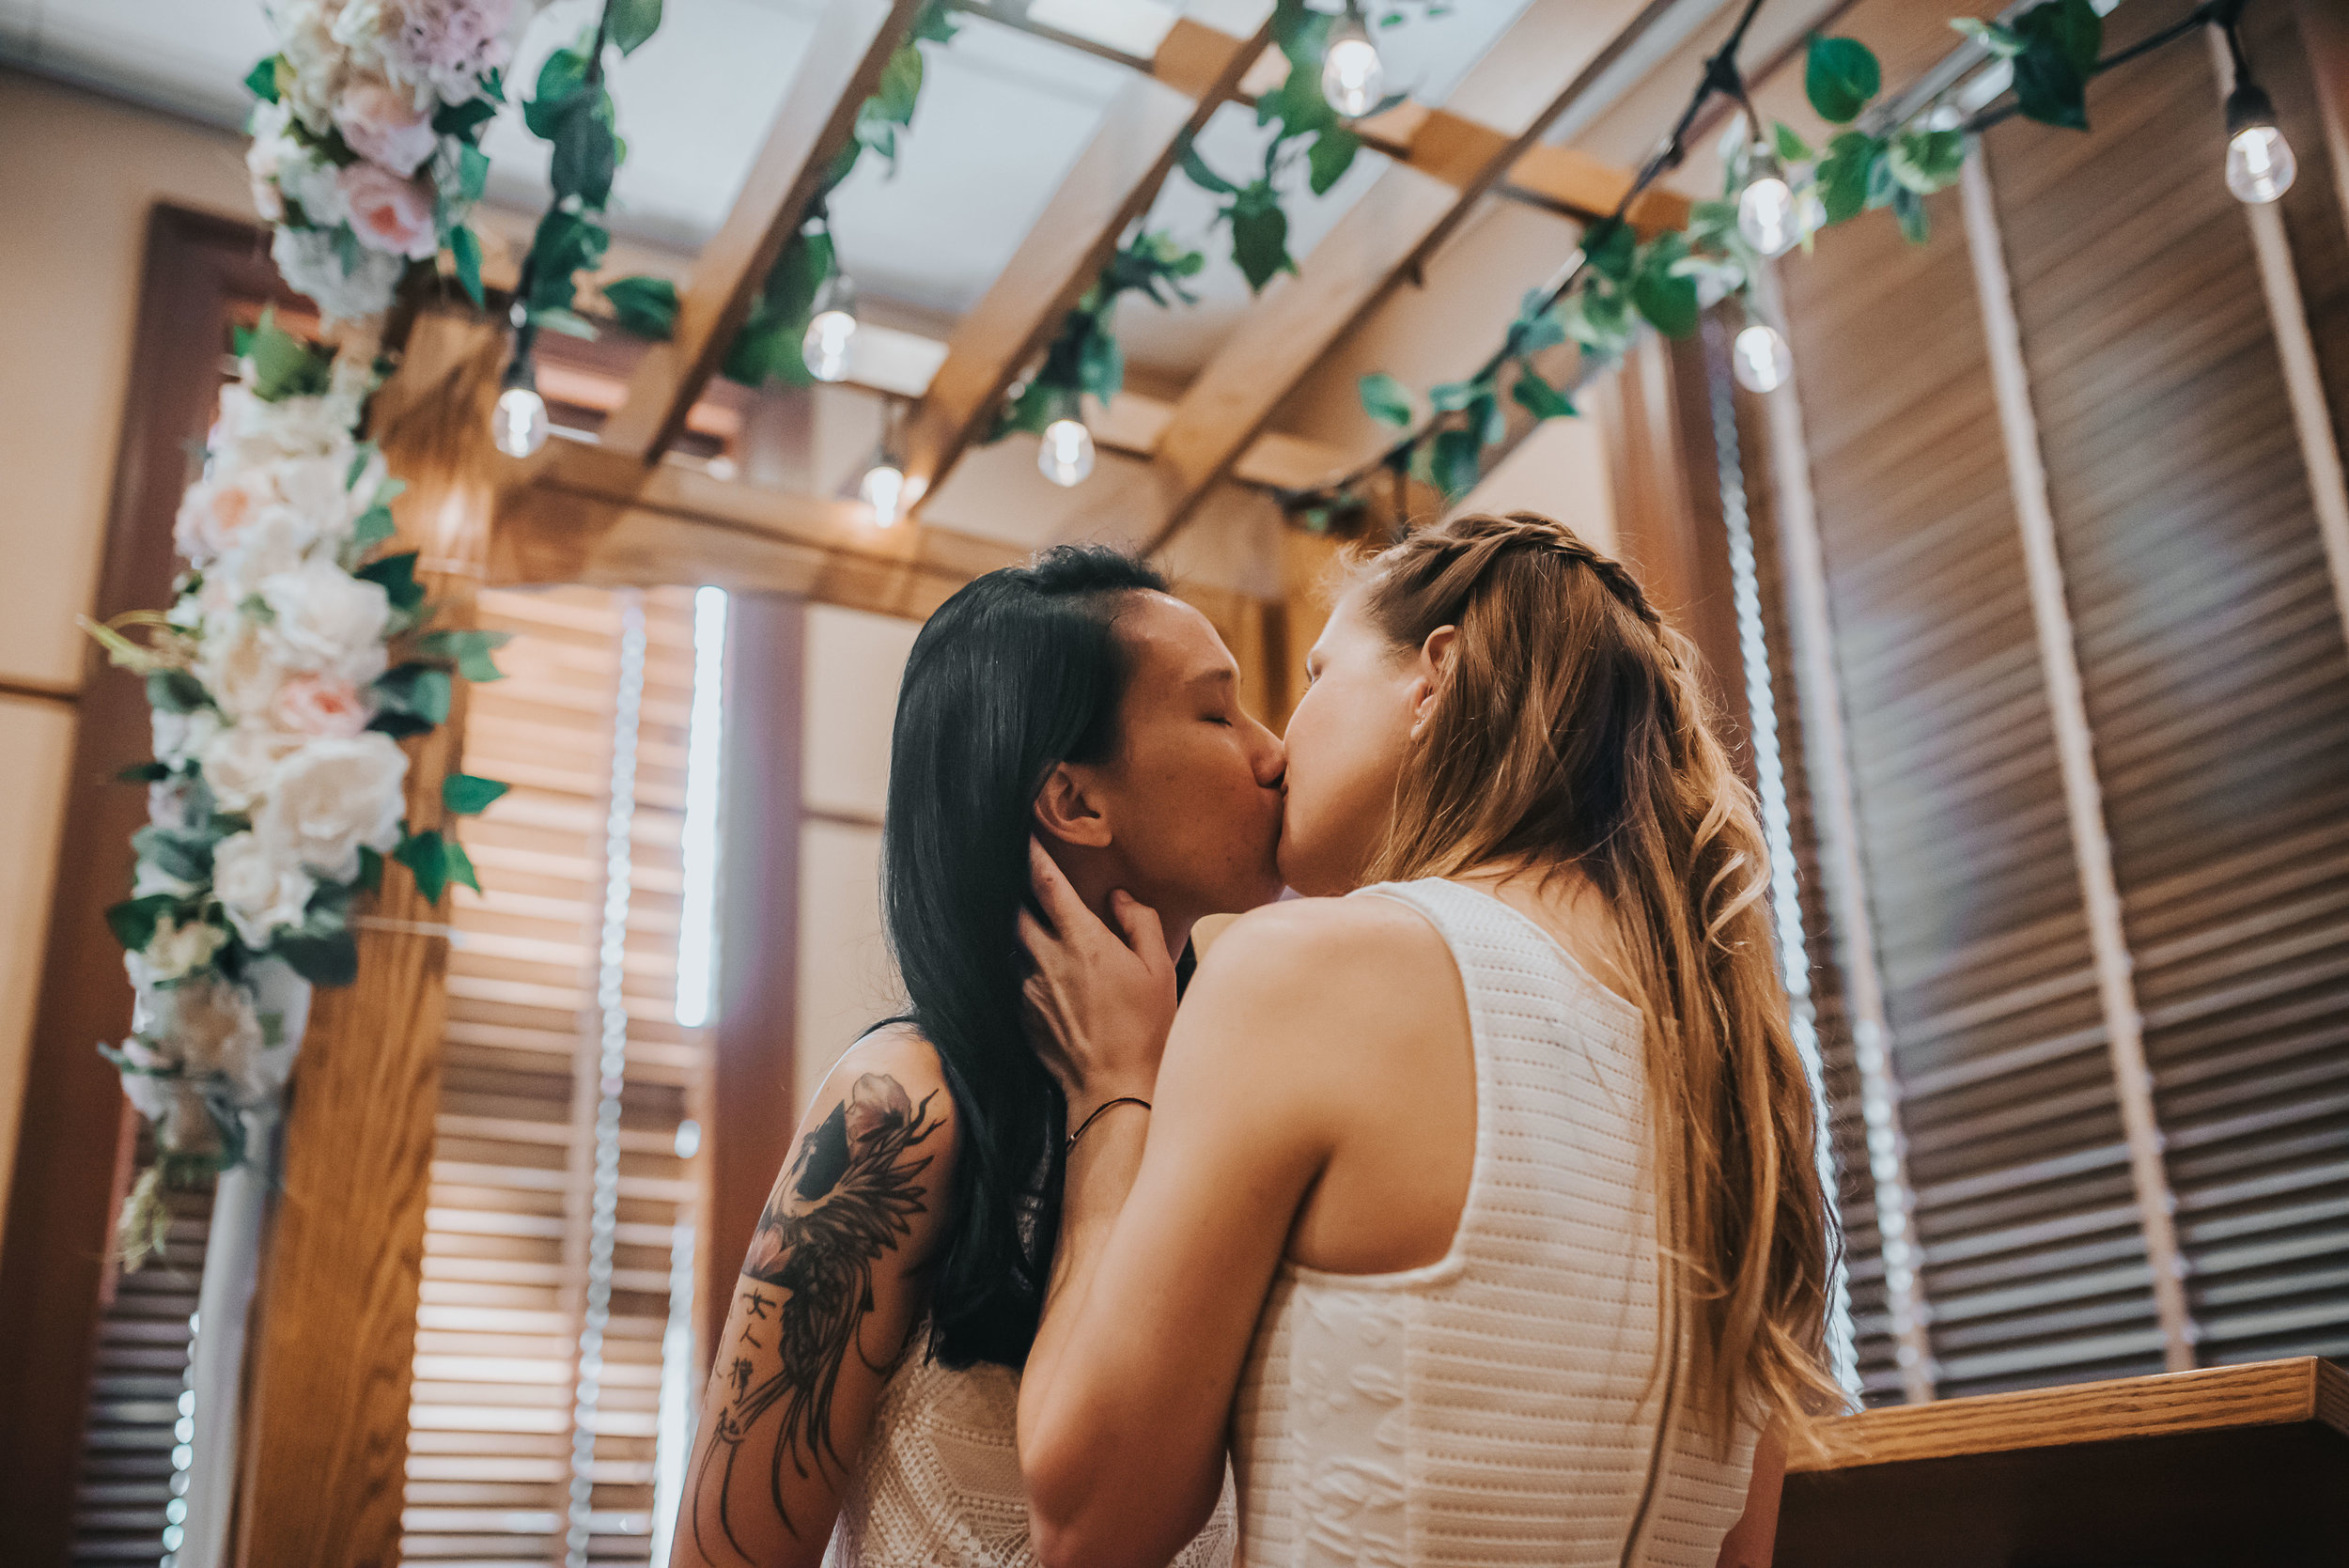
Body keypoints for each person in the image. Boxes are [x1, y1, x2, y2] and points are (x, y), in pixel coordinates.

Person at [1016, 511, 1843, 1568]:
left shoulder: (1307, 970)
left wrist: (1114, 1094)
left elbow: (1088, 1521)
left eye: (1317, 675)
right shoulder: (1739, 1077)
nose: (1277, 746)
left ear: (1435, 675)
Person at [670, 547, 1287, 1568]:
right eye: (1219, 714)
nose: (1273, 754)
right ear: (1074, 800)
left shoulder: (1235, 1089)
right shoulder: (898, 1110)